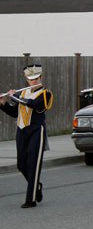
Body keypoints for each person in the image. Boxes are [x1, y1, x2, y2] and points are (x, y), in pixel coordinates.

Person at [0, 64, 53, 208]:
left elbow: (33, 104)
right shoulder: (22, 94)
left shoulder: (45, 93)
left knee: (33, 164)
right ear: (26, 79)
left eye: (36, 78)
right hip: (21, 131)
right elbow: (15, 113)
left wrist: (14, 97)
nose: (34, 81)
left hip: (36, 131)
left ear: (41, 77)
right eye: (31, 79)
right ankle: (36, 186)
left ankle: (31, 199)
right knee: (21, 164)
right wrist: (3, 104)